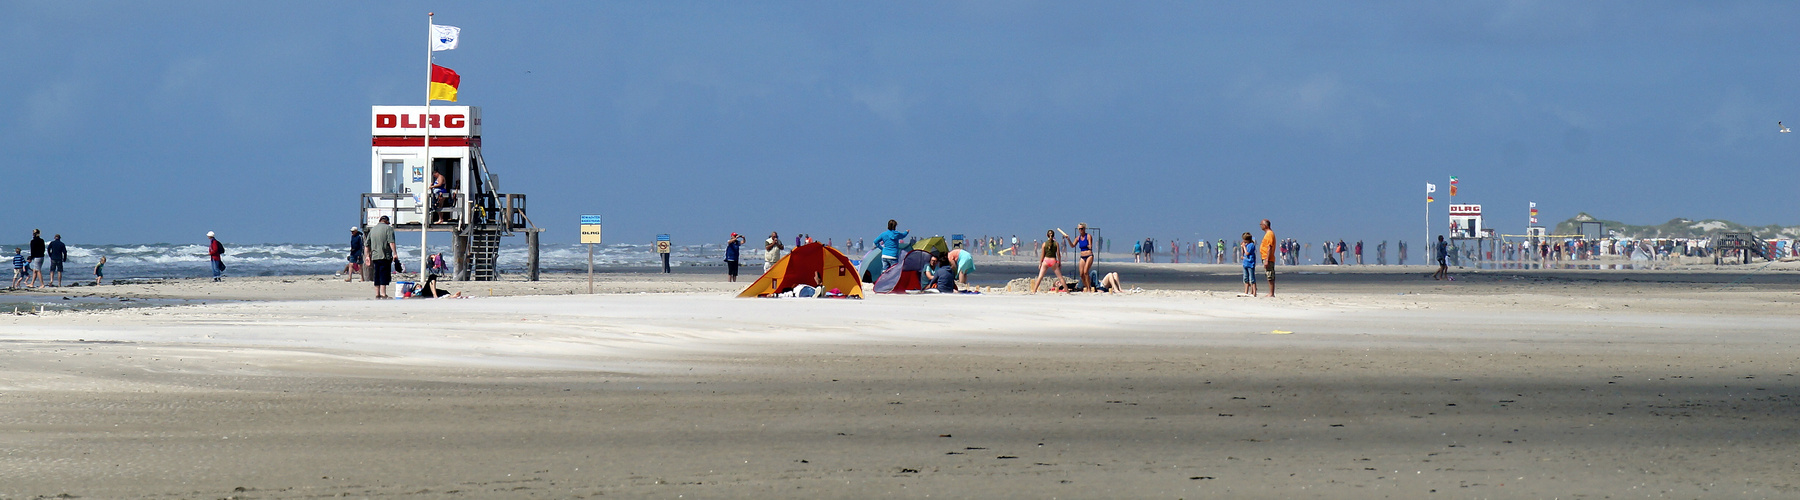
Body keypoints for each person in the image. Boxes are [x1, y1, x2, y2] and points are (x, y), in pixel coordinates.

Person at [365, 216, 397, 298]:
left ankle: (377, 293)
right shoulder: (388, 229)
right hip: (384, 255)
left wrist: (367, 256)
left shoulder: (373, 230)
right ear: (386, 221)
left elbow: (367, 245)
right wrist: (395, 253)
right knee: (384, 274)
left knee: (377, 274)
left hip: (375, 256)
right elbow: (391, 242)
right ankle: (383, 293)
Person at [1030, 229, 1065, 294]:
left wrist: (1040, 263)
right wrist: (1059, 262)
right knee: (1060, 278)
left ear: (1047, 235)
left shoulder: (1044, 244)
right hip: (1053, 260)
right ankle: (1067, 291)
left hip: (1046, 260)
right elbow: (1058, 254)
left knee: (1040, 277)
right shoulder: (1056, 244)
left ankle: (1034, 290)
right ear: (1054, 236)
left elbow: (1042, 255)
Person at [1067, 223, 1095, 292]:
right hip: (1082, 256)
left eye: (1082, 229)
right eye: (1079, 229)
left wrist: (1089, 246)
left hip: (1089, 255)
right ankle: (1086, 286)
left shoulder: (1088, 236)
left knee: (1086, 272)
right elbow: (1072, 245)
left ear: (1084, 229)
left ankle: (1089, 288)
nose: (1080, 230)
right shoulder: (1078, 238)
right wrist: (1068, 239)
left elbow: (1090, 245)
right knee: (1081, 274)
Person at [1259, 219, 1277, 297]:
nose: (1260, 226)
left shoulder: (1269, 234)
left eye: (1261, 224)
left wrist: (1267, 259)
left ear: (1265, 225)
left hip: (1268, 258)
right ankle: (1270, 292)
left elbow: (1269, 247)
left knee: (1270, 275)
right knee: (1268, 275)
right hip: (1266, 257)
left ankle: (1271, 293)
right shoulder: (1267, 234)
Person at [1240, 232, 1258, 296]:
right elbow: (1244, 253)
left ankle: (1254, 292)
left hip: (1250, 263)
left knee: (1252, 278)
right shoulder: (1246, 245)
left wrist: (1244, 247)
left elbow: (1247, 253)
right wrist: (1242, 247)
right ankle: (1246, 291)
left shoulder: (1251, 245)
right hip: (1245, 263)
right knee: (1245, 278)